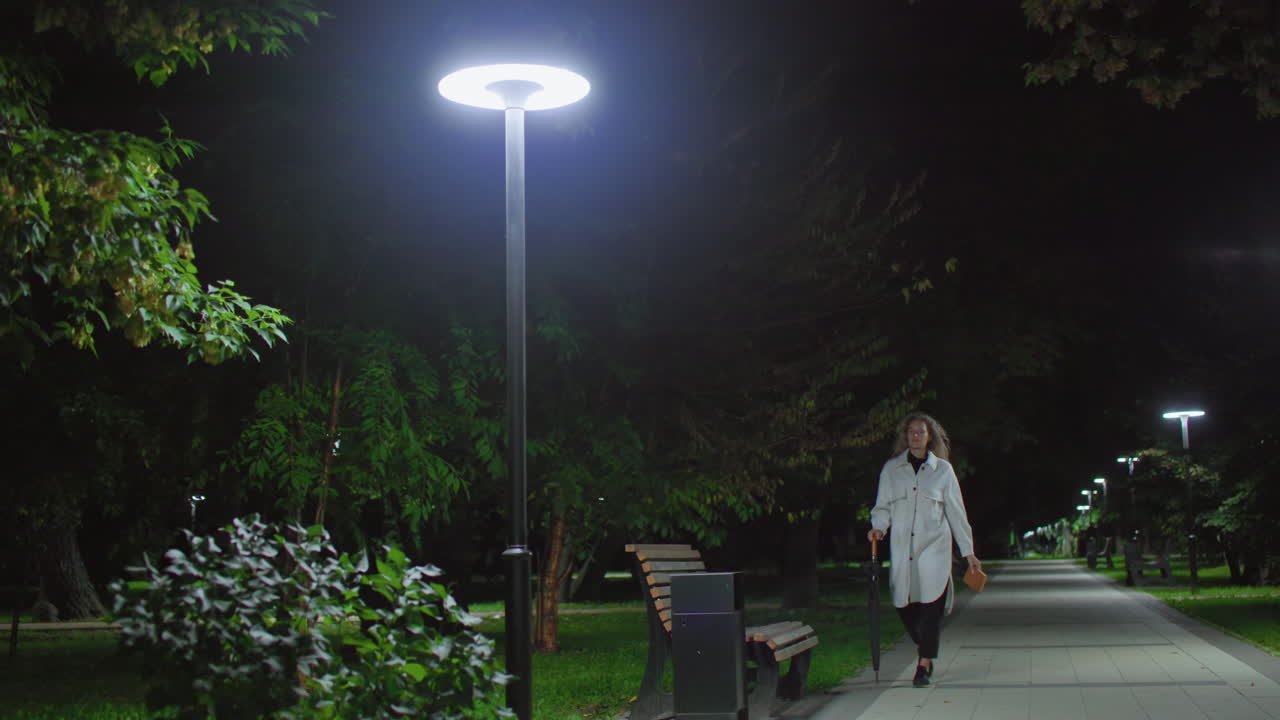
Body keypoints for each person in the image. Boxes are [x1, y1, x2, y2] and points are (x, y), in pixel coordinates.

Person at [867, 412, 979, 688]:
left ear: (930, 437)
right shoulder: (892, 469)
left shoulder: (943, 470)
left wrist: (968, 552)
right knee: (903, 603)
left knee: (931, 605)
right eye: (911, 432)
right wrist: (878, 527)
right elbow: (883, 507)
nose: (915, 436)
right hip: (903, 548)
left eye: (921, 432)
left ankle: (923, 664)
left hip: (935, 548)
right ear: (905, 436)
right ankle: (926, 643)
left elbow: (956, 512)